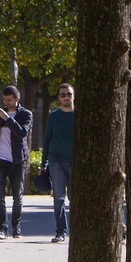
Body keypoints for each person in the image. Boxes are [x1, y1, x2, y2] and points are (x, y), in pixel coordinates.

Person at [0, 85, 31, 239]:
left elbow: (22, 133)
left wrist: (7, 118)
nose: (6, 102)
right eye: (4, 100)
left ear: (17, 99)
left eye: (9, 100)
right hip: (0, 159)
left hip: (18, 160)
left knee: (17, 196)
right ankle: (2, 229)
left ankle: (16, 226)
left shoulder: (25, 114)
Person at [43, 82, 74, 242]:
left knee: (75, 197)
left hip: (76, 161)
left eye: (68, 94)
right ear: (58, 98)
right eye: (63, 95)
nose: (66, 97)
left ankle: (77, 232)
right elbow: (47, 139)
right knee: (59, 198)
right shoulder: (53, 116)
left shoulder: (79, 115)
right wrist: (43, 164)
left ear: (73, 96)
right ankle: (61, 232)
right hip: (56, 161)